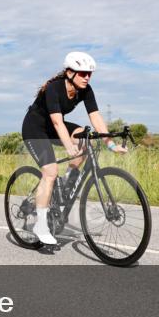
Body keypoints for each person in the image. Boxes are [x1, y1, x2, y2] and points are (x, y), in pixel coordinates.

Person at [21, 52, 126, 245]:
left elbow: (95, 117)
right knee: (50, 173)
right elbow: (57, 122)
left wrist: (110, 144)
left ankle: (66, 183)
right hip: (35, 128)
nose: (87, 77)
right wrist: (69, 146)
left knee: (85, 138)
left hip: (53, 126)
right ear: (69, 72)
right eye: (82, 73)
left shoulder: (86, 90)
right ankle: (41, 225)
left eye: (89, 74)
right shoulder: (54, 88)